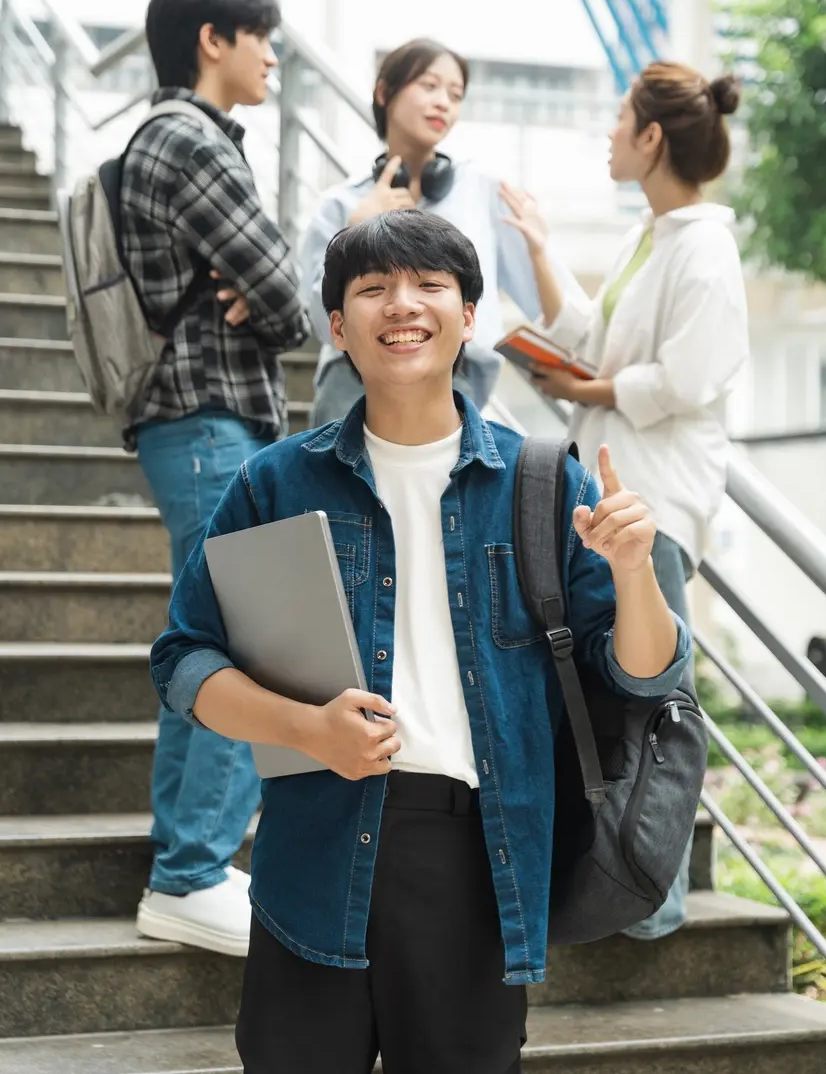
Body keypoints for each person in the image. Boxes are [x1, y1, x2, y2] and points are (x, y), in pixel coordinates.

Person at [149, 209, 691, 1073]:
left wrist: (634, 571)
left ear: (468, 315)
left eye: (430, 285)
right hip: (315, 850)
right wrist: (306, 729)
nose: (403, 304)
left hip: (475, 859)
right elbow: (183, 658)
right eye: (373, 289)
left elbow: (641, 675)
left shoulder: (542, 479)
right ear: (337, 327)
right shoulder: (276, 482)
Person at [500, 60, 749, 941]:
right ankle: (629, 885)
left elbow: (688, 376)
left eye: (619, 121)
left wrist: (591, 388)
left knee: (659, 706)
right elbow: (592, 343)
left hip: (657, 504)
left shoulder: (704, 246)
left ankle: (655, 896)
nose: (608, 134)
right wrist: (537, 246)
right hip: (614, 499)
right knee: (615, 696)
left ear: (652, 138)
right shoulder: (655, 235)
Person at [122, 0, 310, 955]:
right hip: (207, 419)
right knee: (248, 644)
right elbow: (286, 300)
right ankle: (190, 870)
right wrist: (255, 291)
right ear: (212, 39)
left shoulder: (172, 140)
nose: (273, 54)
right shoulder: (192, 141)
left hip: (193, 423)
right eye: (261, 36)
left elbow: (271, 293)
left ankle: (184, 858)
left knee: (206, 637)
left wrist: (255, 287)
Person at [301, 37, 575, 425]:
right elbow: (319, 321)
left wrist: (539, 249)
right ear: (384, 92)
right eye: (429, 86)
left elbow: (555, 307)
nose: (443, 102)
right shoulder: (341, 204)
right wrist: (355, 232)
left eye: (455, 93)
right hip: (354, 383)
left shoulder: (484, 191)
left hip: (455, 380)